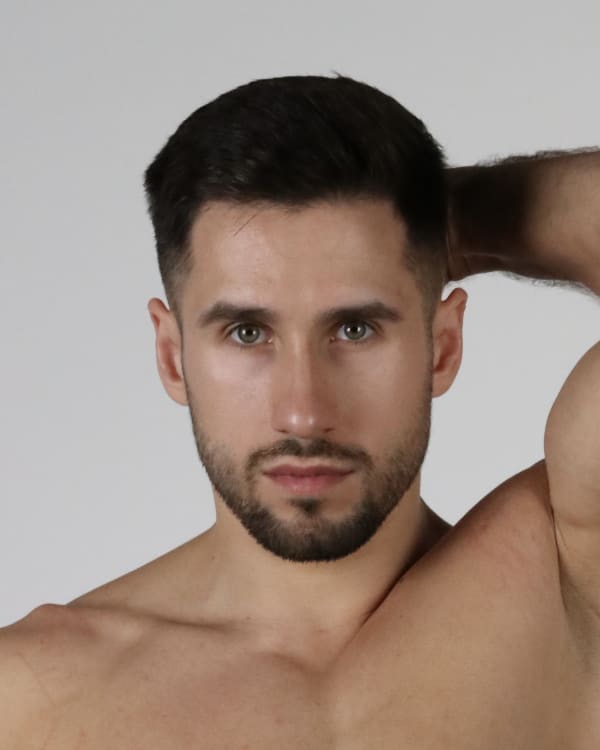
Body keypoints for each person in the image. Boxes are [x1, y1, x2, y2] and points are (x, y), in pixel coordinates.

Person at [2, 73, 599, 749]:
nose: (304, 414)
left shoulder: (567, 588)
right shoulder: (31, 697)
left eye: (354, 329)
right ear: (172, 357)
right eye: (247, 333)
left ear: (442, 346)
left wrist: (450, 220)